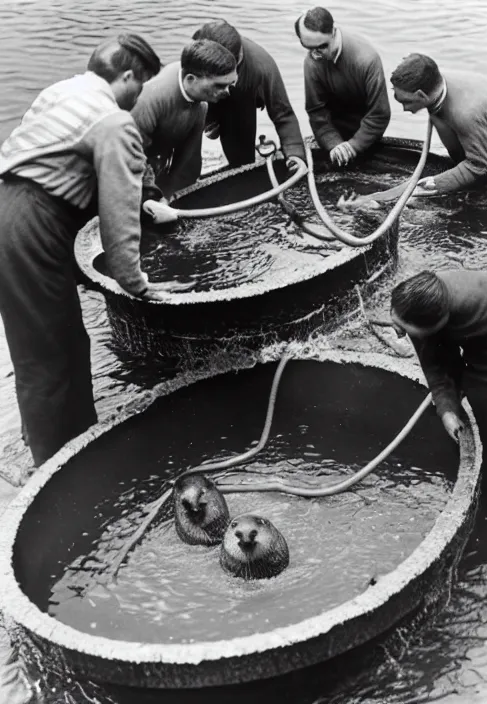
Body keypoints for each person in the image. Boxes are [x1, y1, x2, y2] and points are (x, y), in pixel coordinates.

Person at [0, 34, 189, 469]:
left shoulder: (61, 91)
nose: (137, 99)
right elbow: (116, 213)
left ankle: (61, 436)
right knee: (51, 351)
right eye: (139, 87)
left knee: (48, 341)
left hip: (10, 211)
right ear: (125, 77)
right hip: (35, 225)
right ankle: (57, 466)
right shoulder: (114, 122)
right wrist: (135, 283)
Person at [390, 269, 487, 494]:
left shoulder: (479, 312)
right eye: (395, 319)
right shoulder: (422, 299)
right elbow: (437, 364)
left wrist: (452, 402)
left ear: (441, 325)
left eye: (405, 330)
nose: (398, 333)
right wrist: (447, 410)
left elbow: (437, 364)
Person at [391, 53, 487, 197]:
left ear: (421, 95)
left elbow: (481, 167)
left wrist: (436, 184)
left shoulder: (466, 112)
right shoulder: (434, 83)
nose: (405, 109)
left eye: (406, 101)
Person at [192, 19, 306, 170]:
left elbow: (283, 114)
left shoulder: (261, 66)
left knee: (241, 161)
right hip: (203, 95)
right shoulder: (196, 54)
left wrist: (295, 155)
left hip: (239, 100)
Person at [131, 39, 237, 200]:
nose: (227, 92)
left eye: (230, 84)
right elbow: (128, 159)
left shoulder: (201, 104)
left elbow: (189, 160)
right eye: (220, 86)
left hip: (155, 163)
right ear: (190, 79)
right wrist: (152, 196)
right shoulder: (148, 99)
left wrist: (171, 195)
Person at [295, 7, 390, 168]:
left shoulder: (366, 60)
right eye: (309, 48)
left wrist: (353, 146)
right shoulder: (312, 61)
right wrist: (334, 144)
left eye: (322, 47)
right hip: (331, 136)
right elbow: (316, 111)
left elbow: (379, 114)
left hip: (366, 134)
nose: (315, 55)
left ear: (333, 31)